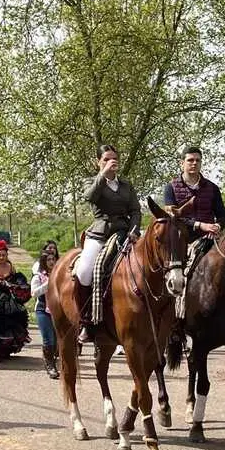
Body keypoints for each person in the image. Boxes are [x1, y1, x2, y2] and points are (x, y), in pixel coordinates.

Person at [76, 144, 141, 343]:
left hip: (124, 233)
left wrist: (134, 230)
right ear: (98, 162)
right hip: (100, 234)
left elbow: (136, 210)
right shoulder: (91, 181)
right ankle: (86, 321)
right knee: (85, 272)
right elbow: (89, 197)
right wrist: (103, 174)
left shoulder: (126, 185)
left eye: (114, 159)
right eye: (106, 159)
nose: (111, 162)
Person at [163, 145, 225, 323]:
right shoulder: (170, 188)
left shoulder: (213, 188)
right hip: (182, 240)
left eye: (197, 160)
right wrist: (201, 225)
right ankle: (177, 317)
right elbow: (172, 219)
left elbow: (223, 217)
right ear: (181, 163)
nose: (194, 163)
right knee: (179, 273)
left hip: (211, 239)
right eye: (190, 160)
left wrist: (217, 225)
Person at [30, 249, 59, 379]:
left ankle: (53, 360)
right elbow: (34, 293)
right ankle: (50, 365)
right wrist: (48, 283)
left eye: (53, 259)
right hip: (43, 309)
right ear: (43, 262)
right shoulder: (38, 276)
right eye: (49, 260)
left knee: (57, 339)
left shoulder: (60, 274)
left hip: (58, 310)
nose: (52, 262)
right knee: (49, 338)